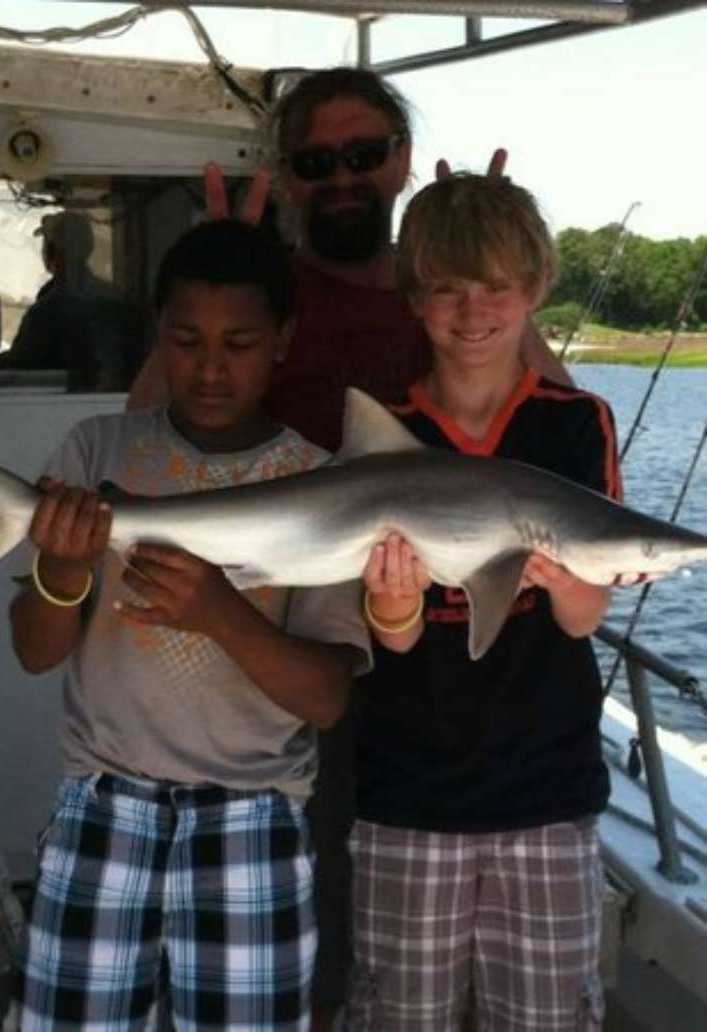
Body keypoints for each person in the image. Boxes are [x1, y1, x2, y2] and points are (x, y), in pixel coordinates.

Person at [126, 66, 572, 1031]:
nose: (341, 178)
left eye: (364, 154)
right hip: (287, 640)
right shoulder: (268, 290)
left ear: (402, 162)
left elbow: (554, 463)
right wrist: (222, 264)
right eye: (315, 161)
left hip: (436, 674)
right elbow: (144, 435)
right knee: (322, 927)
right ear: (287, 175)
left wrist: (492, 266)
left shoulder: (442, 293)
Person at [11, 218, 370, 1030]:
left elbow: (327, 699)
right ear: (158, 336)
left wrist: (219, 613)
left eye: (239, 344)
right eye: (185, 340)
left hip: (253, 816)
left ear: (283, 340)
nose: (210, 368)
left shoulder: (322, 483)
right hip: (102, 807)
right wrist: (61, 572)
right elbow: (33, 651)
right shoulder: (97, 452)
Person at [348, 173, 620, 1031]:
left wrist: (569, 582)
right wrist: (395, 605)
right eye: (447, 289)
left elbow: (583, 618)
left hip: (549, 790)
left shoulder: (576, 424)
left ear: (535, 290)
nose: (473, 312)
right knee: (401, 1017)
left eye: (497, 287)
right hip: (409, 790)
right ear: (414, 298)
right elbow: (390, 639)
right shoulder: (383, 432)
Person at [0, 211, 143, 391]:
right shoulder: (116, 299)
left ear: (52, 251)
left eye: (46, 245)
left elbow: (20, 366)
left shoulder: (49, 309)